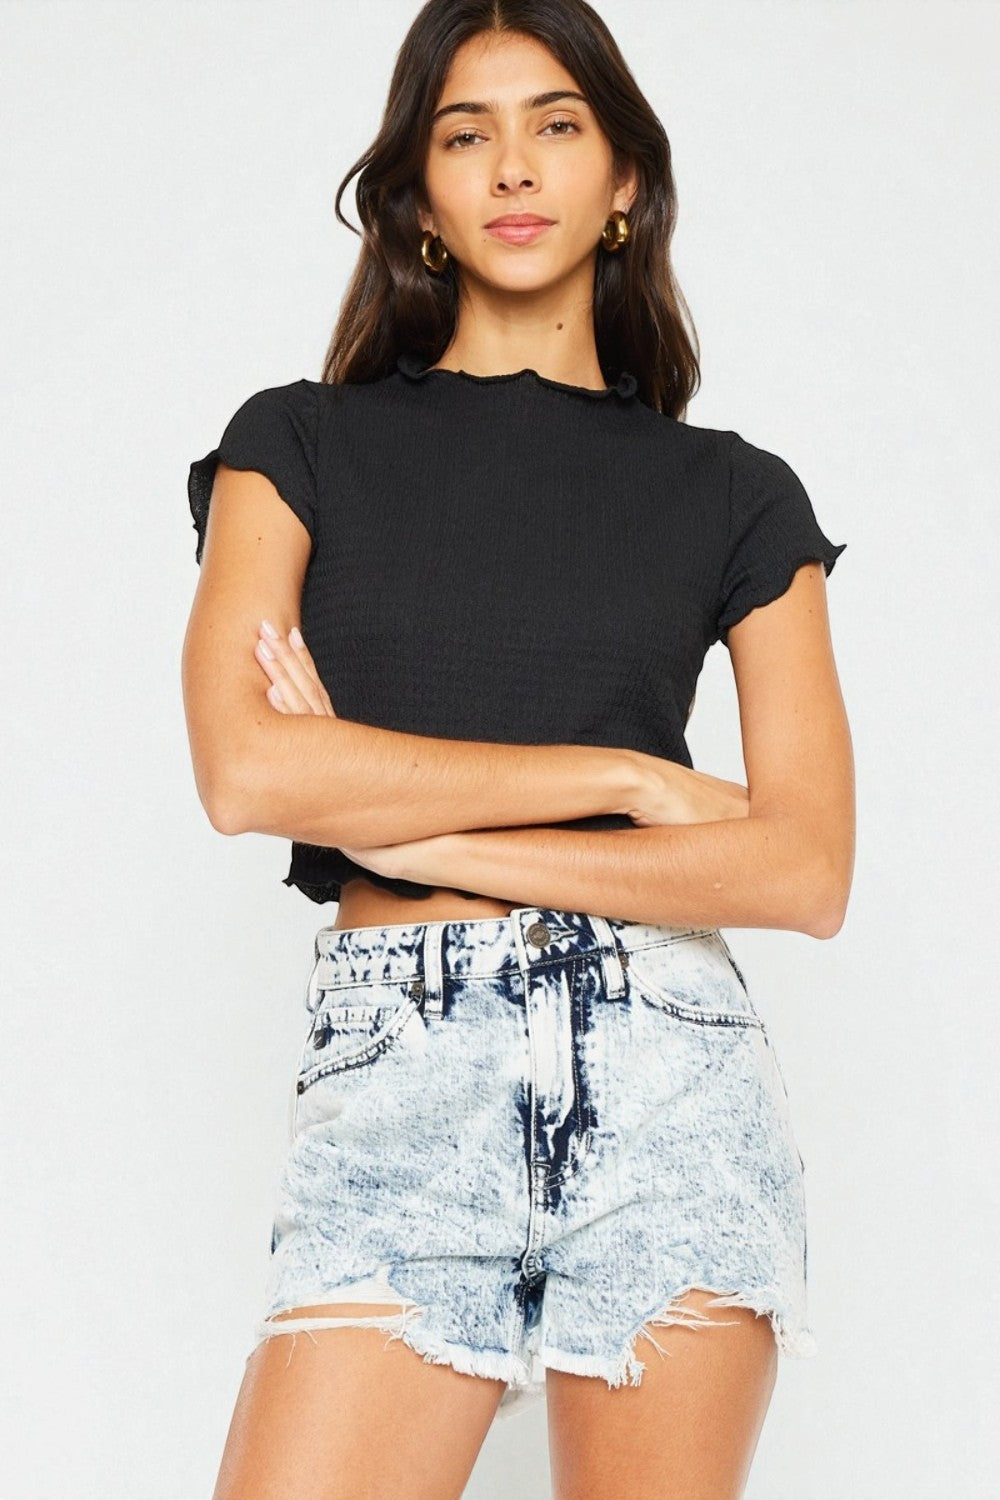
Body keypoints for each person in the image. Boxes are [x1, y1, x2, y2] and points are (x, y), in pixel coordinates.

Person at [182, 1, 854, 1494]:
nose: (513, 167)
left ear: (625, 181)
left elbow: (804, 866)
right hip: (397, 1066)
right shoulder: (294, 446)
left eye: (557, 124)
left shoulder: (736, 496)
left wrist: (415, 827)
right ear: (419, 196)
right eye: (464, 133)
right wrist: (623, 781)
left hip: (672, 1071)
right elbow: (246, 771)